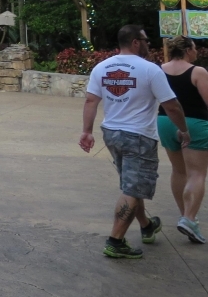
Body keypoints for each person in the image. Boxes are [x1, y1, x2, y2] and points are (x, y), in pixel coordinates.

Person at [80, 24, 190, 258]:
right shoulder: (150, 70)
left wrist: (86, 131)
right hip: (138, 136)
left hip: (111, 133)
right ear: (135, 42)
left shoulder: (102, 67)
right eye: (146, 40)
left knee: (131, 182)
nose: (149, 45)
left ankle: (147, 225)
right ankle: (115, 241)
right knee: (133, 187)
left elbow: (91, 101)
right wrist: (183, 129)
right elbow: (171, 105)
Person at [158, 35, 208, 244]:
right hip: (194, 123)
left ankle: (186, 216)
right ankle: (189, 218)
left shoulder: (159, 70)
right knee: (197, 172)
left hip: (165, 121)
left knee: (179, 171)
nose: (196, 52)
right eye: (195, 48)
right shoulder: (198, 72)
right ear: (187, 49)